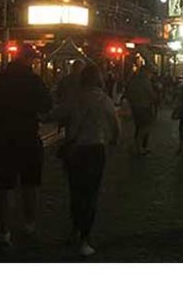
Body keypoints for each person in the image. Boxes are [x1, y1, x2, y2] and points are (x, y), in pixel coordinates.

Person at [50, 63, 120, 258]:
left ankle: (74, 229)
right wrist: (114, 140)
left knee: (76, 191)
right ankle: (85, 238)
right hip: (95, 149)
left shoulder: (75, 98)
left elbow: (54, 114)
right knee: (90, 194)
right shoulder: (104, 100)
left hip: (75, 150)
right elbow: (115, 125)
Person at [0, 46, 52, 247]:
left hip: (5, 137)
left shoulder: (0, 79)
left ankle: (4, 230)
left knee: (4, 187)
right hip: (27, 136)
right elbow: (47, 105)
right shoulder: (34, 81)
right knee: (30, 184)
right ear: (28, 60)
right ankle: (29, 224)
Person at [124, 64, 156, 154]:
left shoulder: (133, 81)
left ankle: (139, 146)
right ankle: (140, 146)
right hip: (144, 106)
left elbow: (128, 93)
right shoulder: (145, 82)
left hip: (135, 106)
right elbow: (151, 94)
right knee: (145, 127)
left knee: (139, 127)